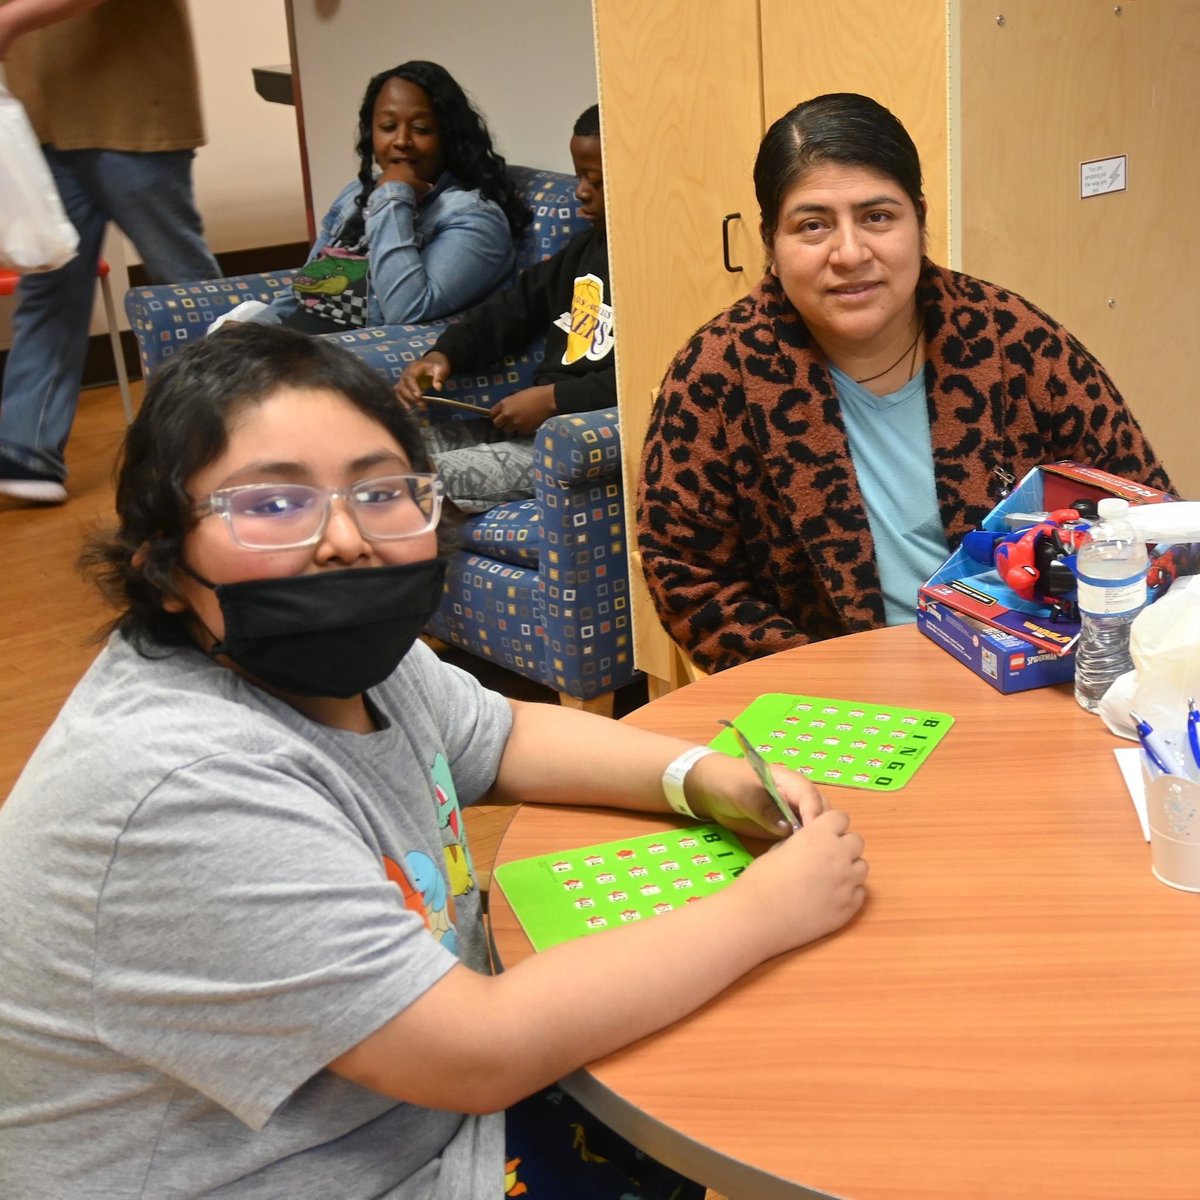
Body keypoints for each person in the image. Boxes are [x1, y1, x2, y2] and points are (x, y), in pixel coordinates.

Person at [0, 323, 867, 1197]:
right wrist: (766, 910)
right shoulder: (184, 787)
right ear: (162, 568)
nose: (346, 540)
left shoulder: (362, 663)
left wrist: (700, 777)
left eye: (382, 492)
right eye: (271, 505)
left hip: (412, 1121)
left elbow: (504, 735)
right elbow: (478, 1052)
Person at [636, 92, 1173, 674]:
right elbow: (686, 572)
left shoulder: (1013, 340)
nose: (849, 253)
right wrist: (820, 679)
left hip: (1033, 672)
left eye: (877, 217)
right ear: (771, 242)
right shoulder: (718, 374)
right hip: (834, 696)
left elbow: (1142, 509)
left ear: (919, 218)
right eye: (812, 225)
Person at [0, 0, 221, 505]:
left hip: (131, 109)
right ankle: (26, 450)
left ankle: (236, 425)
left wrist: (10, 21)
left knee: (186, 288)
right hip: (46, 113)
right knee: (51, 282)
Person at [395, 104, 612, 512]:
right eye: (580, 175)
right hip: (530, 423)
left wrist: (554, 399)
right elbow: (510, 309)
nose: (581, 190)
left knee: (404, 480)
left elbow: (649, 375)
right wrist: (443, 355)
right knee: (381, 446)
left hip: (575, 437)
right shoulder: (585, 248)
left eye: (596, 180)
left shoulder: (658, 278)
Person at [234, 60, 529, 337]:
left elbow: (406, 309)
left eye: (421, 129)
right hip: (287, 347)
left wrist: (393, 196)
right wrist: (255, 332)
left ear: (449, 136)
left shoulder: (475, 218)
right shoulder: (357, 194)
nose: (401, 140)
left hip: (349, 360)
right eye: (388, 127)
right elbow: (303, 291)